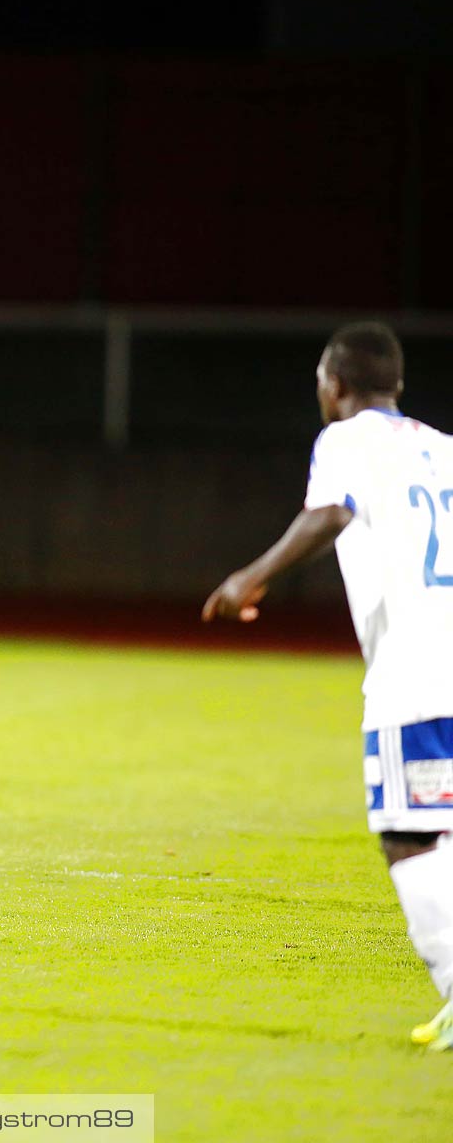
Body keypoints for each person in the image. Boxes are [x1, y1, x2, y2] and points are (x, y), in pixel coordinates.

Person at [203, 321, 453, 1052]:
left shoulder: (346, 441)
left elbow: (331, 511)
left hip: (415, 672)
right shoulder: (443, 448)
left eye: (320, 379)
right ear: (396, 384)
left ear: (336, 385)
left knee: (408, 833)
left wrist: (250, 577)